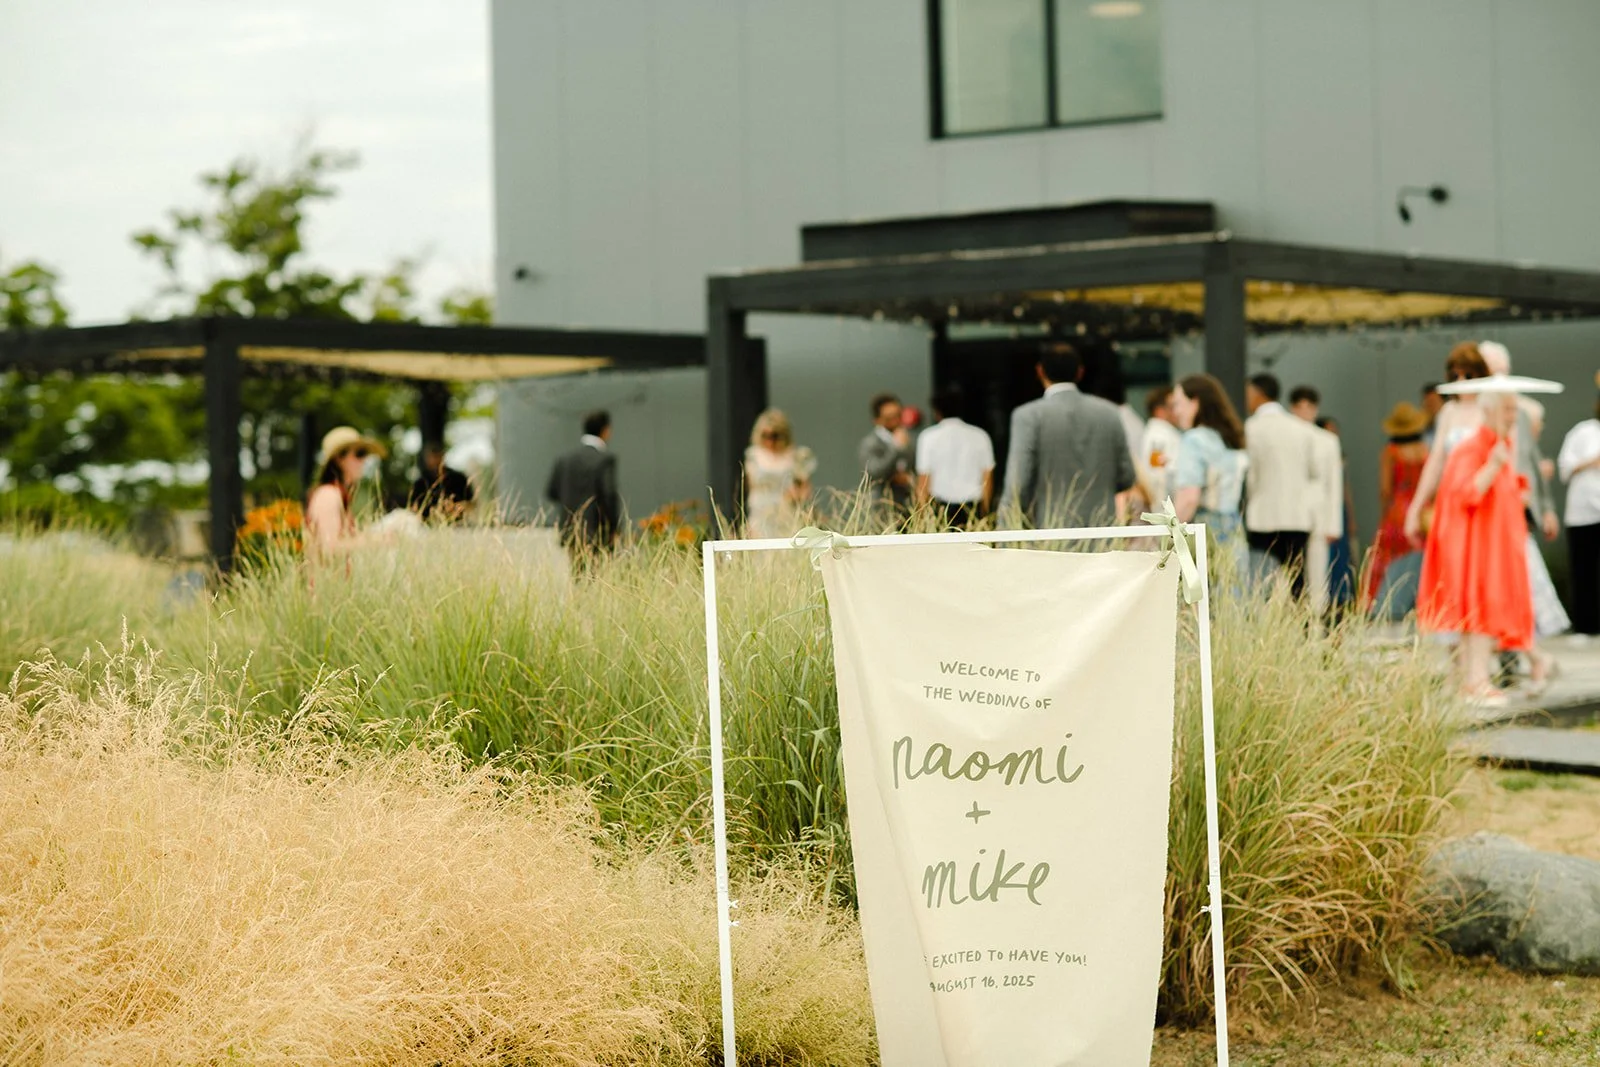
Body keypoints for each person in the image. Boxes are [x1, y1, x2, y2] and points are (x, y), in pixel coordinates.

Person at [1417, 386, 1553, 704]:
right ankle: (1475, 682)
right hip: (1474, 549)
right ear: (1489, 410)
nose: (1512, 417)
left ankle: (1475, 680)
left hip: (1493, 546)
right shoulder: (1472, 449)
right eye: (1507, 409)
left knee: (1486, 610)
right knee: (1477, 610)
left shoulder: (1500, 445)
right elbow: (1466, 493)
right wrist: (1492, 466)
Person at [1478, 340, 1568, 642]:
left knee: (1521, 577)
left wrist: (1547, 508)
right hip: (1485, 505)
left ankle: (1519, 649)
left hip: (1520, 505)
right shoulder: (1476, 412)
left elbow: (1532, 461)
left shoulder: (1524, 412)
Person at [1000, 342, 1136, 528]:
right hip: (1103, 534)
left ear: (1040, 371)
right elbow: (1127, 476)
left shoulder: (1028, 416)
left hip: (1052, 535)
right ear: (1080, 372)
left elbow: (1017, 486)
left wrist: (1004, 535)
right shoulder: (1109, 413)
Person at [1243, 373, 1321, 597]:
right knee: (1298, 580)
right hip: (1297, 516)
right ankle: (1302, 628)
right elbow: (1313, 474)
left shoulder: (1252, 428)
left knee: (1261, 580)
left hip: (1262, 516)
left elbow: (1252, 475)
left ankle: (1266, 628)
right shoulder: (1300, 429)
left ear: (1258, 394)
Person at [1168, 374, 1248, 575]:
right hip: (1234, 530)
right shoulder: (1229, 439)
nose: (1175, 412)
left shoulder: (1194, 440)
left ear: (1195, 402)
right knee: (1232, 598)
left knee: (1202, 601)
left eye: (1178, 404)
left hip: (1204, 531)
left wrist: (1169, 536)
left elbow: (1189, 498)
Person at [1365, 401, 1430, 612]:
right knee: (1423, 558)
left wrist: (1384, 512)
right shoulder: (1425, 451)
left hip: (1398, 512)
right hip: (1423, 511)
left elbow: (1385, 489)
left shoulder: (1391, 452)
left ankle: (1385, 603)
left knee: (1388, 559)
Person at [1288, 385, 1345, 612]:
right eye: (1299, 407)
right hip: (1289, 515)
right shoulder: (1285, 439)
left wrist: (1334, 524)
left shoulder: (1327, 441)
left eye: (1309, 407)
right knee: (1287, 576)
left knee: (1318, 576)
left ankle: (1315, 629)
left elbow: (1334, 483)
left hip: (1318, 514)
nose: (1304, 412)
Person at [546, 410, 621, 568]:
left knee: (578, 574)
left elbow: (552, 492)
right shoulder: (605, 460)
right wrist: (614, 528)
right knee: (599, 578)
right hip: (598, 531)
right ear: (605, 430)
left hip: (571, 528)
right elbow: (608, 496)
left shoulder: (564, 460)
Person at [305, 425, 387, 564]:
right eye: (360, 454)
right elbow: (330, 548)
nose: (364, 460)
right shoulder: (328, 494)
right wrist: (375, 541)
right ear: (339, 458)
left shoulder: (339, 494)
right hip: (327, 584)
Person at [915, 387, 995, 528]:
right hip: (972, 508)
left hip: (940, 508)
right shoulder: (980, 436)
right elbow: (987, 479)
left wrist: (921, 517)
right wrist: (985, 512)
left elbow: (924, 480)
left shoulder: (928, 437)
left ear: (936, 411)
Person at [1558, 388, 1600, 637]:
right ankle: (1585, 626)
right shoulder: (1582, 431)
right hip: (1582, 514)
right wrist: (1592, 461)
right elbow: (1566, 467)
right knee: (1583, 571)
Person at [743, 408, 815, 539]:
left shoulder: (796, 457)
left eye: (774, 436)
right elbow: (751, 486)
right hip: (760, 514)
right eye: (765, 435)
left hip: (787, 513)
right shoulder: (754, 456)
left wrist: (795, 496)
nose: (770, 441)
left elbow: (805, 488)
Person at [1316, 415, 1359, 612]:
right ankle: (1327, 595)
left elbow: (1345, 488)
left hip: (1338, 509)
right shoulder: (1316, 452)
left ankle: (1342, 595)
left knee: (1342, 555)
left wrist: (1350, 516)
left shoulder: (1338, 455)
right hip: (1321, 508)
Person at [858, 392, 913, 513]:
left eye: (898, 415)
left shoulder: (906, 438)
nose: (895, 421)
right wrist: (896, 447)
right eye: (889, 418)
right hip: (881, 507)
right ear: (877, 420)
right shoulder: (870, 443)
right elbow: (874, 473)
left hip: (905, 506)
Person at [409, 442, 475, 522]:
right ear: (427, 459)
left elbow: (471, 503)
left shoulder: (459, 479)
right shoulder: (420, 483)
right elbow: (413, 509)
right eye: (431, 457)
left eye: (437, 456)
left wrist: (456, 508)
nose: (435, 461)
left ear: (443, 456)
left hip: (457, 524)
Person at [1142, 384, 1184, 506]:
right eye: (1172, 406)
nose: (1177, 411)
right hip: (1166, 507)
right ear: (1159, 411)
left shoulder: (1165, 433)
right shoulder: (1158, 435)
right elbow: (1158, 476)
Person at [1420, 382, 1444, 449]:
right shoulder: (1420, 427)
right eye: (1426, 403)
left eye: (1432, 402)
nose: (1428, 407)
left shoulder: (1449, 425)